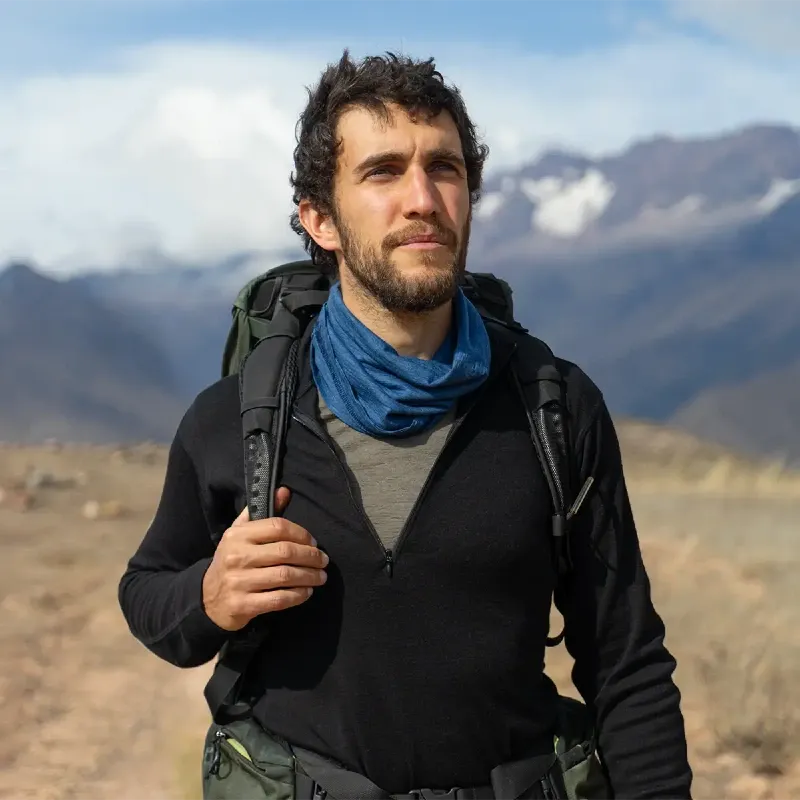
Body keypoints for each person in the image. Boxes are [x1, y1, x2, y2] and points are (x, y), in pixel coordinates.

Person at [118, 50, 693, 800]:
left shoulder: (553, 409)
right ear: (319, 219)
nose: (423, 198)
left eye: (445, 169)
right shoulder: (237, 420)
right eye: (383, 171)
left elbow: (627, 662)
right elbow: (146, 592)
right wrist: (210, 597)